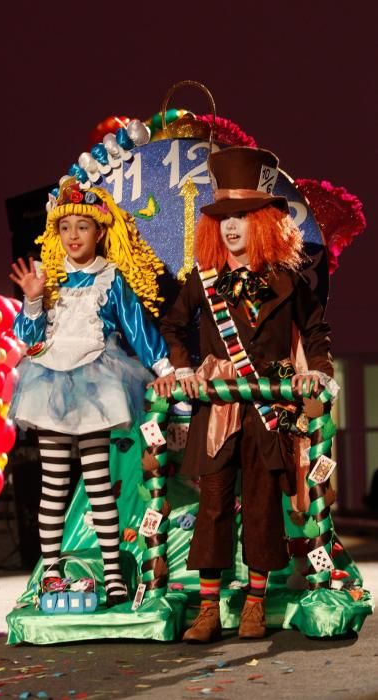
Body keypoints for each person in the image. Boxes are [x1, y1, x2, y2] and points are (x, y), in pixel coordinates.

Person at [152, 146, 335, 641]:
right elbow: (171, 326)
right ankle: (208, 607)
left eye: (243, 217)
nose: (232, 227)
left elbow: (316, 333)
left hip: (269, 411)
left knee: (260, 505)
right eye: (224, 218)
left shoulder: (291, 280)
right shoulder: (202, 280)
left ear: (266, 221)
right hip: (218, 412)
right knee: (212, 505)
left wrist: (316, 371)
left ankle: (255, 601)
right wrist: (184, 367)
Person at [9, 180, 173, 607]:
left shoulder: (110, 277)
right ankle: (51, 573)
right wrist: (31, 302)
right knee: (53, 484)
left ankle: (114, 575)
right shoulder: (49, 276)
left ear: (100, 231)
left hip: (96, 382)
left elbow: (137, 326)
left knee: (99, 483)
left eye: (83, 226)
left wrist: (165, 367)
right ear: (57, 233)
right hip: (49, 384)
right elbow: (29, 337)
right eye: (66, 228)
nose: (74, 235)